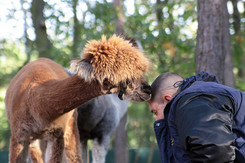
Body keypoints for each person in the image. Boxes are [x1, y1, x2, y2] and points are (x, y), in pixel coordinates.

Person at [148, 71, 245, 163]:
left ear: (167, 99)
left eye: (155, 112)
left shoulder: (194, 99)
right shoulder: (201, 96)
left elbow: (212, 151)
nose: (157, 119)